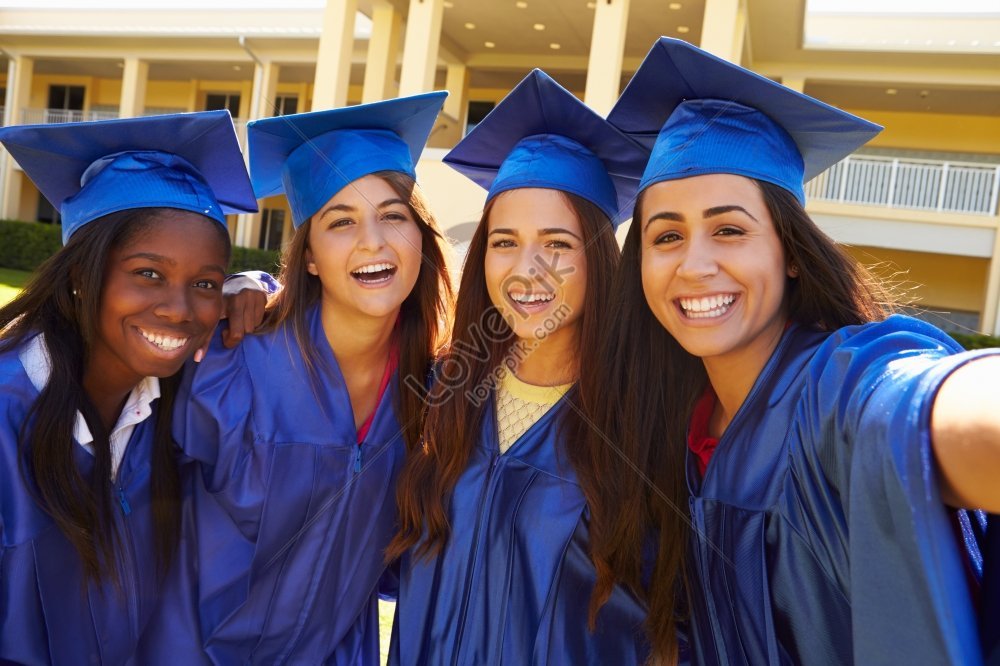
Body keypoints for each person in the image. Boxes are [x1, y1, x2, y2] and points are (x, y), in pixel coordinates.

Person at [586, 37, 1000, 665]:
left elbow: (919, 402)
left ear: (792, 254)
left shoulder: (838, 386)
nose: (695, 265)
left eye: (729, 229)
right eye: (666, 235)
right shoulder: (672, 430)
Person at [148, 92, 455, 665]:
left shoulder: (436, 398)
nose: (373, 241)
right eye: (341, 222)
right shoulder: (227, 365)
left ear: (420, 238)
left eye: (393, 215)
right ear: (309, 255)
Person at [386, 69, 656, 665]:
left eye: (557, 244)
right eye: (504, 242)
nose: (527, 268)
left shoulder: (643, 421)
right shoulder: (440, 392)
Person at [0, 111, 257, 665]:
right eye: (148, 273)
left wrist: (258, 289)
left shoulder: (163, 414)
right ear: (79, 272)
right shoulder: (6, 415)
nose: (180, 308)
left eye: (206, 284)